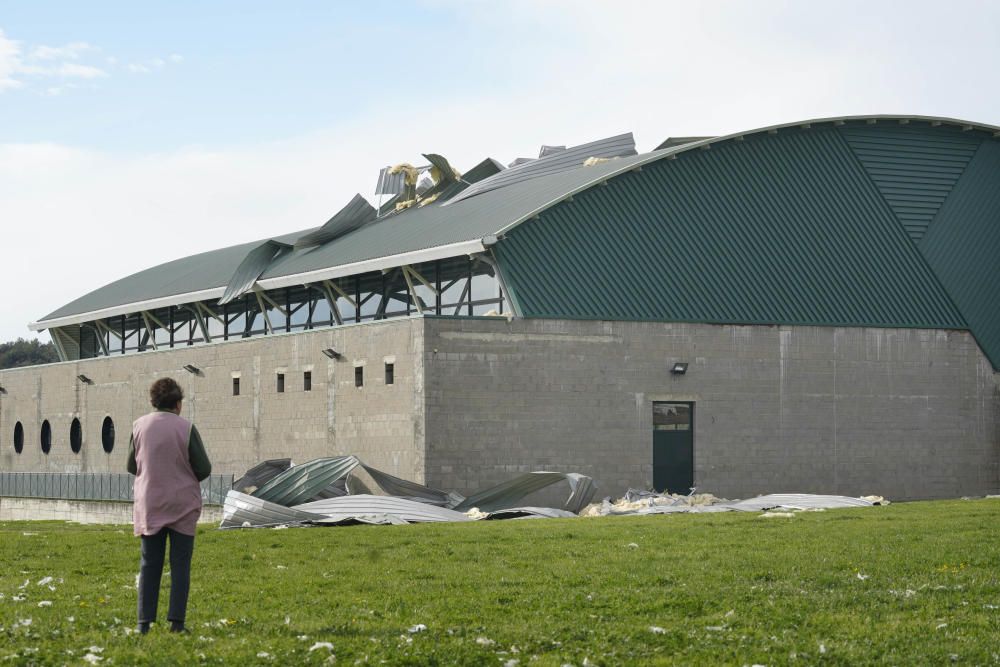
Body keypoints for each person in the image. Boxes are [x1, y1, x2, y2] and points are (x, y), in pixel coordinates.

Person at [126, 377, 212, 635]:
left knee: (149, 562)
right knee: (180, 564)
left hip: (150, 502)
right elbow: (204, 468)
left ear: (153, 402)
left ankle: (144, 623)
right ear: (178, 403)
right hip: (182, 504)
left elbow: (131, 465)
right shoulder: (186, 428)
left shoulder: (139, 426)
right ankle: (176, 622)